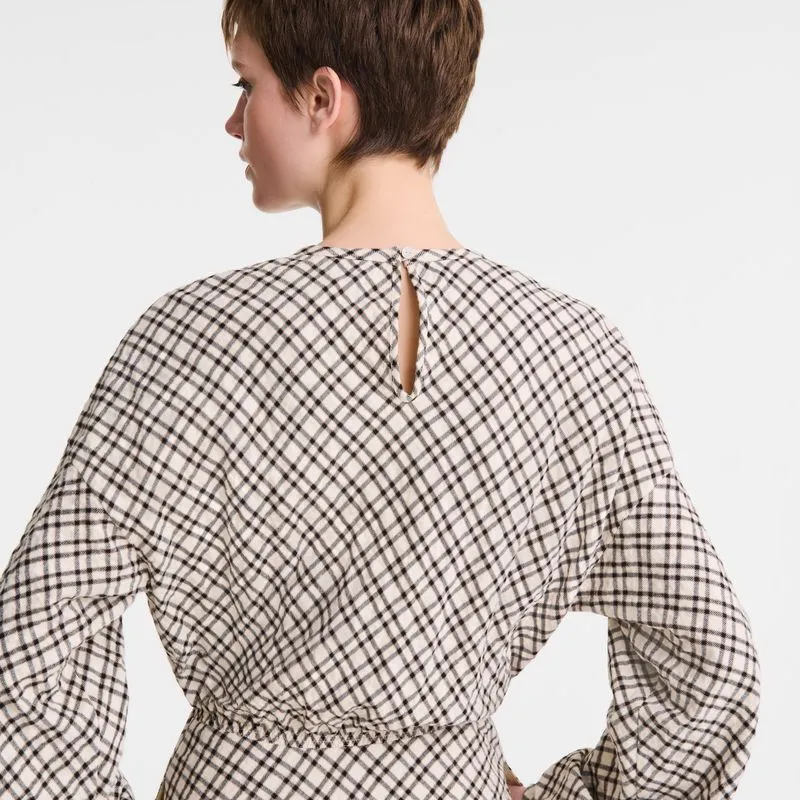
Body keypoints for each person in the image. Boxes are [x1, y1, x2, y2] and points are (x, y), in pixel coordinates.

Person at [0, 2, 761, 799]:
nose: (233, 122)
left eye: (246, 86)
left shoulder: (190, 338)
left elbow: (30, 649)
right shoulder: (576, 353)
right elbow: (710, 664)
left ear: (322, 98)